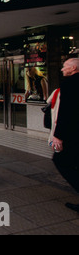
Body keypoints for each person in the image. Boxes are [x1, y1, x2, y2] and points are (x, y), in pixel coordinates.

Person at [51, 58, 79, 213]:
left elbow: (65, 112)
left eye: (65, 67)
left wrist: (58, 135)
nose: (62, 69)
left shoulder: (69, 84)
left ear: (73, 68)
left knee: (61, 160)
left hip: (72, 133)